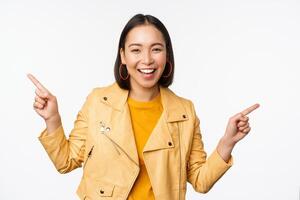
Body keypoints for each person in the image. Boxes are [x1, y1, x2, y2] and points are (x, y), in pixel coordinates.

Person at [28, 14, 259, 200]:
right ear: (123, 56)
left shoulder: (184, 111)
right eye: (136, 50)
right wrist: (53, 119)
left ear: (166, 55)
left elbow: (200, 180)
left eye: (156, 49)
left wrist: (228, 142)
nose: (147, 60)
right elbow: (66, 162)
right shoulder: (98, 101)